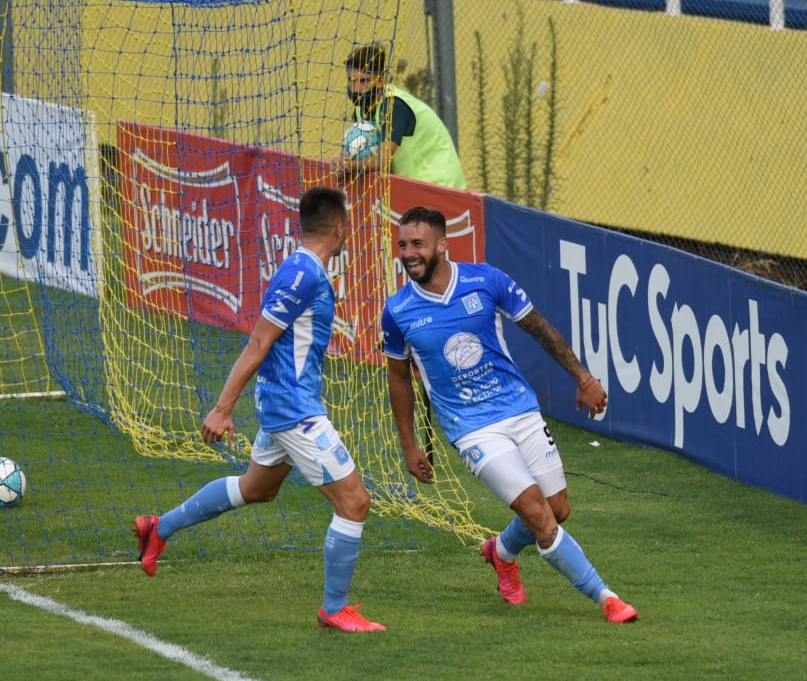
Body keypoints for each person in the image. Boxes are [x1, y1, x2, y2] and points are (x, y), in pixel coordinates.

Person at [133, 186, 386, 633]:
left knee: (256, 489)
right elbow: (258, 341)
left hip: (284, 403)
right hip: (294, 410)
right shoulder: (303, 275)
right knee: (355, 502)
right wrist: (221, 408)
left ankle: (159, 527)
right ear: (340, 227)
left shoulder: (302, 268)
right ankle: (334, 609)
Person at [380, 205, 636, 623]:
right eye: (403, 244)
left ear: (442, 245)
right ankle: (607, 599)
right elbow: (398, 378)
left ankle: (501, 552)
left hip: (520, 409)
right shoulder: (397, 311)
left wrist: (584, 378)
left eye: (417, 244)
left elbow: (538, 327)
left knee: (558, 509)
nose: (408, 253)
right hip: (472, 429)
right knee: (538, 515)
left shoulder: (486, 280)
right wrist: (409, 446)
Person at [335, 43, 467, 189]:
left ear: (381, 81)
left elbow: (383, 161)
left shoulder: (394, 105)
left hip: (441, 186)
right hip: (412, 186)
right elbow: (364, 149)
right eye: (351, 81)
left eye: (364, 81)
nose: (356, 89)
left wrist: (349, 165)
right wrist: (341, 159)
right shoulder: (360, 110)